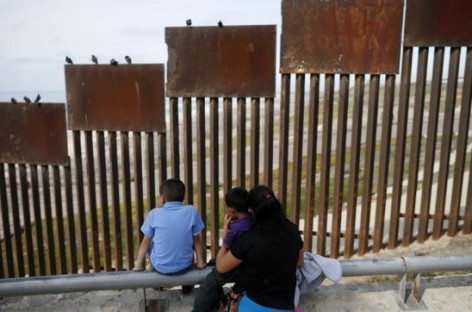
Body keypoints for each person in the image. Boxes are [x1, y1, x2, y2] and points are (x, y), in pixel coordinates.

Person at [216, 185, 304, 311]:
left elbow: (221, 267)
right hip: (285, 306)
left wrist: (225, 244)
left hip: (254, 304)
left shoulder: (249, 240)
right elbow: (300, 262)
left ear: (252, 211)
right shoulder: (293, 230)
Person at [133, 178, 206, 293]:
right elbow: (197, 240)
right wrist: (201, 263)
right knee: (190, 237)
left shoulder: (154, 214)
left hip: (160, 268)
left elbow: (145, 242)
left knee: (151, 240)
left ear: (162, 199)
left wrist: (138, 266)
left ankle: (156, 282)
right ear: (183, 198)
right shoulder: (191, 211)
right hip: (184, 266)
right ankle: (187, 284)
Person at [193, 187, 254, 311]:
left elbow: (225, 243)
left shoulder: (235, 229)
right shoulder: (252, 218)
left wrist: (226, 225)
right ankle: (220, 299)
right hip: (246, 259)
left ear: (231, 210)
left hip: (236, 263)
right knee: (211, 263)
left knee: (209, 283)